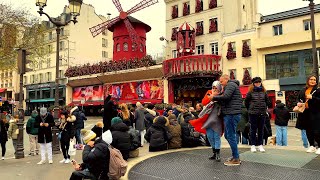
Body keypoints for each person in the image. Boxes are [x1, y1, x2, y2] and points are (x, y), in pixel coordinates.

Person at [209, 74, 242, 166]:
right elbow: (226, 98)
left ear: (227, 79)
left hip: (231, 114)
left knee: (230, 135)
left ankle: (236, 158)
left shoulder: (230, 85)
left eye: (221, 81)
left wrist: (214, 97)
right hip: (230, 113)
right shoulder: (230, 86)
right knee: (228, 135)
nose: (221, 83)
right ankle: (235, 155)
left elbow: (226, 97)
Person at [245, 77, 270, 153]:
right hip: (253, 113)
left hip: (262, 112)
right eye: (256, 83)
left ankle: (260, 145)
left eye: (259, 82)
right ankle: (253, 145)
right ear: (253, 84)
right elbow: (246, 102)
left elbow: (267, 101)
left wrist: (265, 106)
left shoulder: (264, 92)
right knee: (253, 129)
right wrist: (250, 109)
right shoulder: (250, 92)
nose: (258, 84)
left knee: (261, 129)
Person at [296, 75, 319, 153]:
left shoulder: (318, 90)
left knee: (317, 130)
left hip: (316, 113)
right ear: (308, 80)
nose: (313, 81)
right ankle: (312, 146)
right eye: (311, 79)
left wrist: (313, 97)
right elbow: (298, 99)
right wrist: (298, 103)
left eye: (314, 80)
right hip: (305, 113)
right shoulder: (303, 90)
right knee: (308, 130)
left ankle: (319, 147)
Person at [202, 81, 223, 162]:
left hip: (218, 119)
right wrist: (212, 96)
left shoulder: (222, 94)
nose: (214, 89)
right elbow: (203, 102)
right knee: (210, 136)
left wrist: (216, 97)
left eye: (216, 88)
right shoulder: (209, 93)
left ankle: (218, 154)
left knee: (216, 136)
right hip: (208, 119)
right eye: (213, 88)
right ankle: (214, 152)